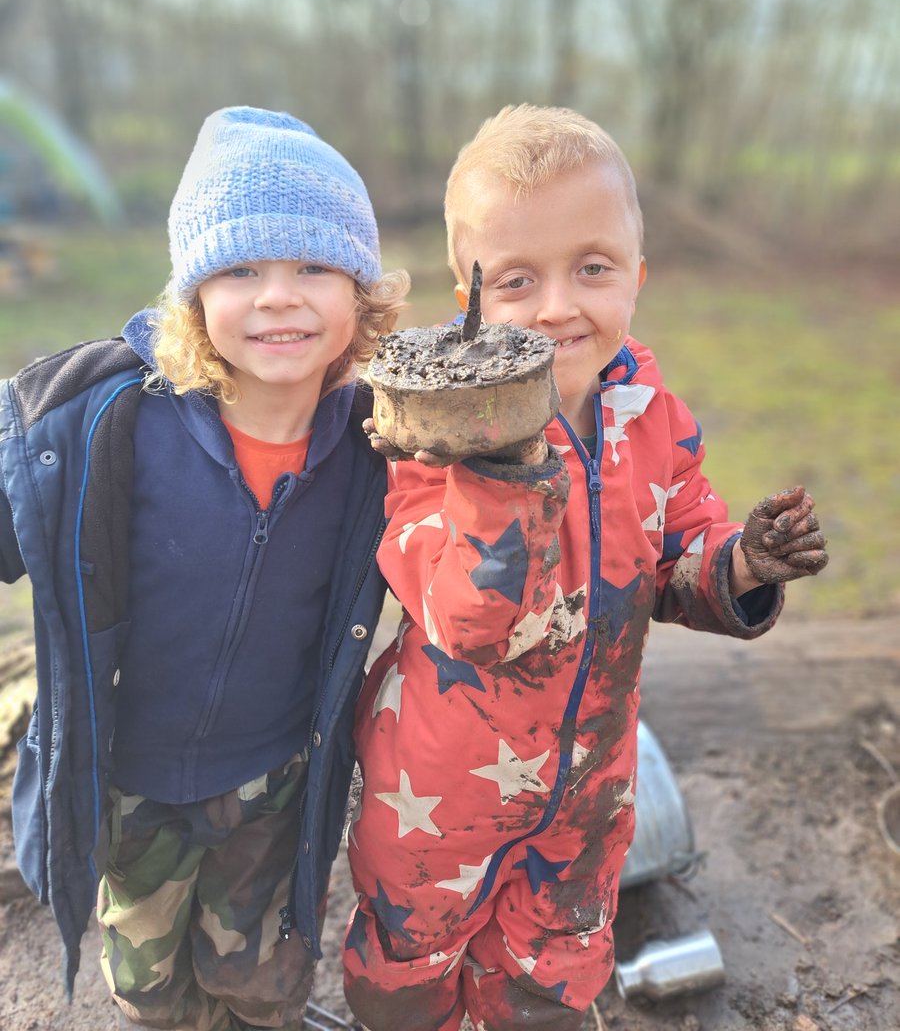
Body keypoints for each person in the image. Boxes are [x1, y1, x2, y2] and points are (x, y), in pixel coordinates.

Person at [342, 104, 828, 1031]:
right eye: (521, 279)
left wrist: (743, 563)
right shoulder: (431, 442)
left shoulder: (652, 415)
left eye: (593, 268)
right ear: (470, 302)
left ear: (637, 277)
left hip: (589, 787)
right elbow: (466, 620)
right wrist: (505, 459)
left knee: (556, 967)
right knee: (411, 968)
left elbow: (678, 562)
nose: (560, 304)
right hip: (439, 799)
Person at [0, 106, 408, 1030]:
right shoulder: (112, 430)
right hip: (131, 775)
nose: (279, 296)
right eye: (240, 269)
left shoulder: (382, 442)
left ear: (361, 295)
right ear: (192, 296)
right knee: (151, 990)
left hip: (272, 775)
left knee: (260, 978)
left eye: (314, 265)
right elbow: (17, 495)